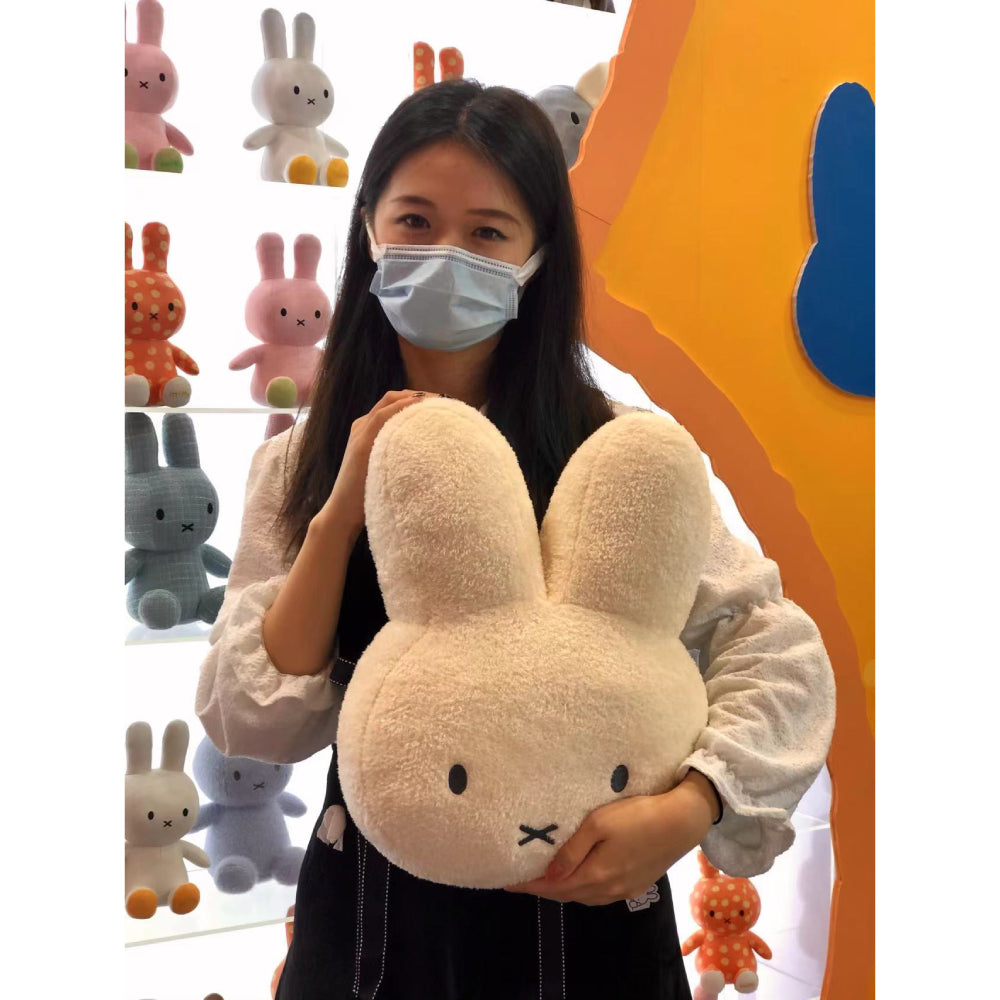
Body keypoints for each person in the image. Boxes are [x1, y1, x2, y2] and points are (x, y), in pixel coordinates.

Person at [196, 79, 835, 1000]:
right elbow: (256, 719)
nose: (445, 254)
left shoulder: (613, 456)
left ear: (537, 257)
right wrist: (339, 510)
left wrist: (691, 807)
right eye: (415, 221)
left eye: (488, 232)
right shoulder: (301, 463)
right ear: (368, 226)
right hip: (376, 923)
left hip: (594, 918)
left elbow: (773, 647)